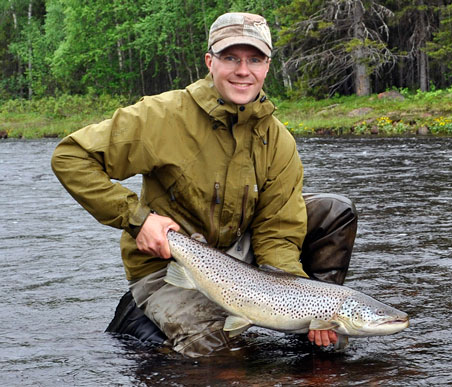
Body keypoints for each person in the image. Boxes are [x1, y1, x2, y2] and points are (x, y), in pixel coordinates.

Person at [51, 12, 357, 357]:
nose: (244, 71)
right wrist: (137, 218)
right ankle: (146, 313)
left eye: (254, 59)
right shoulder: (161, 116)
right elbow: (70, 157)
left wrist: (300, 305)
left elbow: (279, 232)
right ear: (210, 61)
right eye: (231, 58)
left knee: (334, 210)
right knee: (216, 356)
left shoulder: (278, 140)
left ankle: (314, 322)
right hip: (167, 263)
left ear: (267, 66)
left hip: (240, 260)